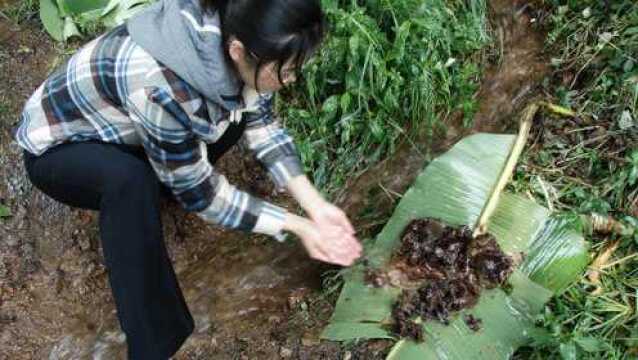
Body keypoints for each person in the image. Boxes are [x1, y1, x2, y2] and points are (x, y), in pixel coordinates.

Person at [14, 0, 362, 358]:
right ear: (238, 51)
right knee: (129, 183)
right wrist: (299, 226)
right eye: (284, 71)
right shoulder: (165, 87)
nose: (289, 81)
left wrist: (316, 206)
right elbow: (204, 196)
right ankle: (152, 345)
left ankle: (164, 181)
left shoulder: (239, 25)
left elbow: (262, 122)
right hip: (60, 147)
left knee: (235, 117)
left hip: (129, 127)